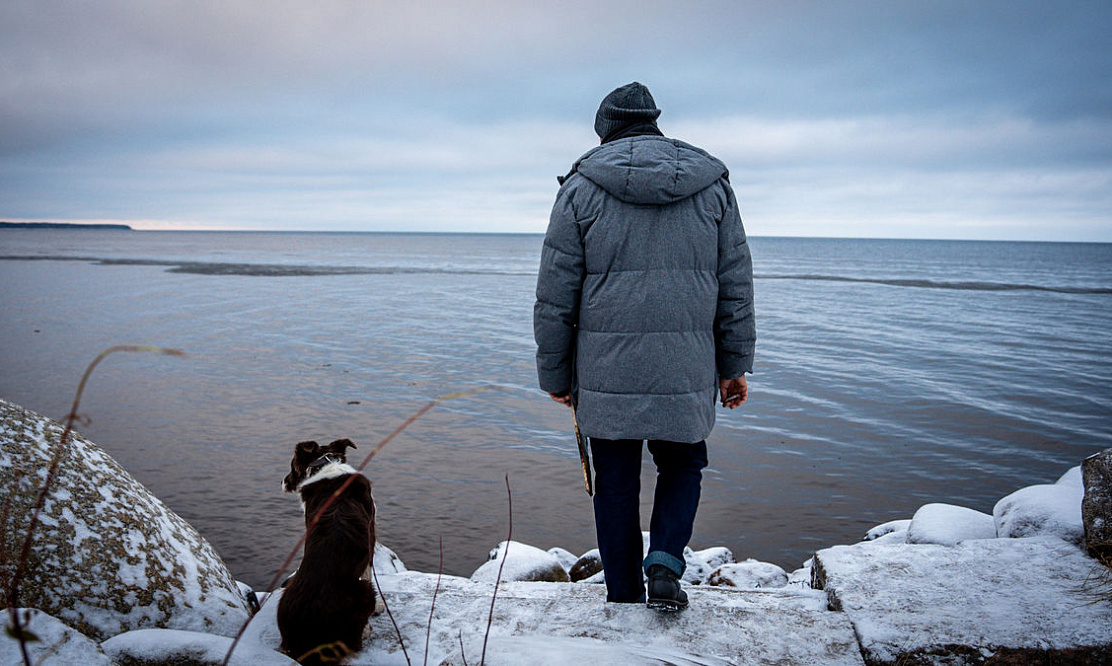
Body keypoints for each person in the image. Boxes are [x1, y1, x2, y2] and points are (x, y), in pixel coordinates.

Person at [534, 82, 756, 610]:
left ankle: (624, 593)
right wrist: (734, 365)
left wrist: (556, 376)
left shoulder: (580, 188)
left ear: (605, 130)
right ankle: (665, 565)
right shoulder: (712, 185)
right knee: (682, 466)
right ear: (653, 121)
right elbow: (735, 283)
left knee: (614, 483)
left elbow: (555, 293)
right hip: (687, 366)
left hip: (606, 369)